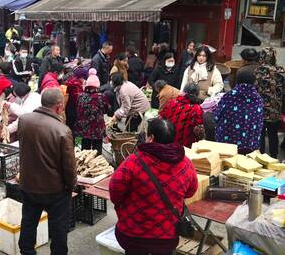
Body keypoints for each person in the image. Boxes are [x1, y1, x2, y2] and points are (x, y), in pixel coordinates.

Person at [110, 118, 198, 255]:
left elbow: (115, 190)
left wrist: (123, 207)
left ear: (151, 138)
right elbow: (191, 191)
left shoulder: (134, 161)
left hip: (133, 235)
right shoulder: (186, 163)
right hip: (166, 236)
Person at [18, 88, 76, 255]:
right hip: (54, 189)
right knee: (59, 230)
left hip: (28, 183)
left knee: (28, 222)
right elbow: (69, 166)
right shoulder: (62, 130)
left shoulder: (24, 120)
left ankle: (27, 251)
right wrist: (71, 186)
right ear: (59, 106)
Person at [215, 70, 264, 154]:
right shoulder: (258, 99)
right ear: (253, 81)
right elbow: (260, 122)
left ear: (237, 80)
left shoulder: (229, 96)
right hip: (250, 145)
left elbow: (217, 116)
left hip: (228, 145)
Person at [255, 48, 285, 158]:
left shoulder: (258, 70)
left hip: (261, 110)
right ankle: (274, 156)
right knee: (273, 134)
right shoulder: (281, 70)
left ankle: (261, 156)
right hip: (275, 110)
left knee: (261, 133)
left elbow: (255, 88)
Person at [75, 70, 109, 155]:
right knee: (97, 151)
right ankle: (96, 164)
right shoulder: (101, 97)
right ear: (97, 86)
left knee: (85, 151)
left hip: (84, 129)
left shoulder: (80, 96)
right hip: (97, 129)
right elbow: (107, 110)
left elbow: (77, 109)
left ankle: (83, 165)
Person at [65, 66, 89, 132]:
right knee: (71, 127)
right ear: (81, 77)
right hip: (72, 110)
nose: (85, 80)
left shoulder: (70, 80)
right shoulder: (76, 85)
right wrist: (84, 89)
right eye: (84, 78)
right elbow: (79, 99)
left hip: (68, 107)